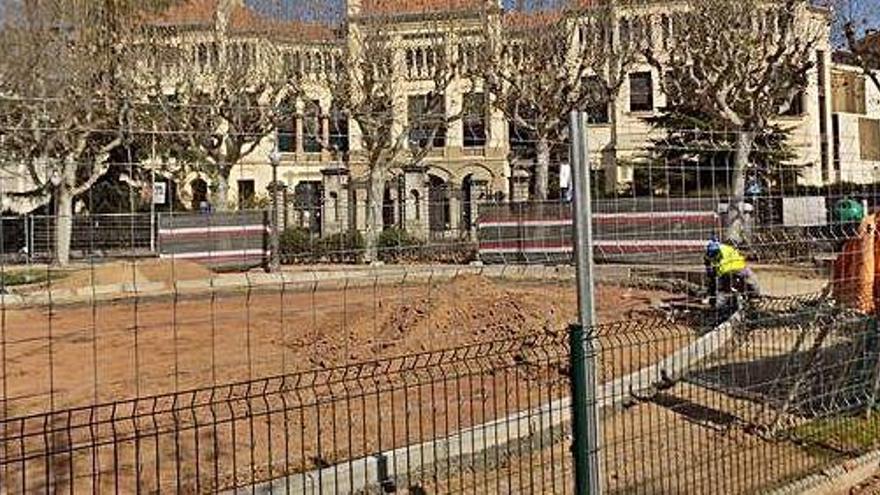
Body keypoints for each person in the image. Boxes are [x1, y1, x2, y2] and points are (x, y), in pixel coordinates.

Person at [704, 238, 760, 308]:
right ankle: (754, 297)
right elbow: (741, 256)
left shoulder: (709, 254)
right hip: (739, 268)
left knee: (723, 290)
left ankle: (719, 306)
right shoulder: (728, 248)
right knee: (751, 279)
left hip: (724, 272)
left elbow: (710, 273)